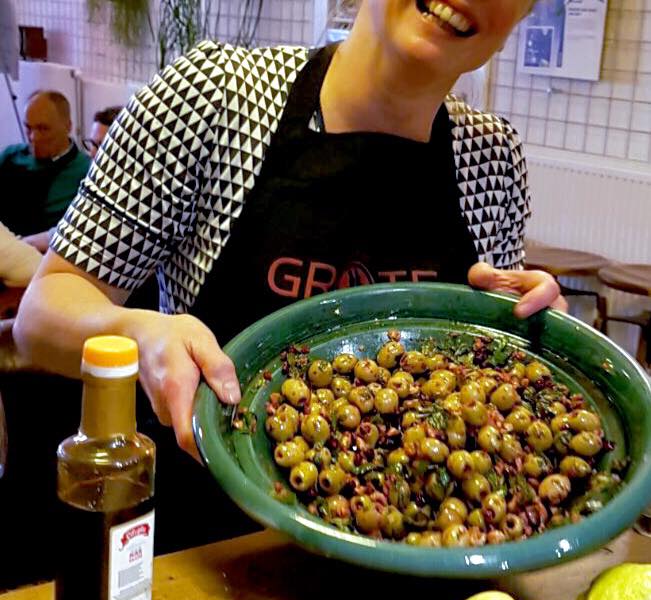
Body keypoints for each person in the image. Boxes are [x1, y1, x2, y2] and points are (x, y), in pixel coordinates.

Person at [14, 0, 567, 552]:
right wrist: (141, 333)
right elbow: (41, 314)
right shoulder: (214, 100)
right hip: (209, 557)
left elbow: (489, 388)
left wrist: (537, 340)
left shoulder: (491, 159)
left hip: (416, 565)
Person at [22, 105, 124, 254]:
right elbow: (63, 232)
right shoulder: (97, 184)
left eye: (103, 146)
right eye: (92, 144)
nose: (92, 153)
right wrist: (17, 244)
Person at [0, 90, 89, 237]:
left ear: (68, 126)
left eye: (43, 129)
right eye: (28, 127)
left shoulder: (84, 171)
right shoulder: (10, 156)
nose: (33, 137)